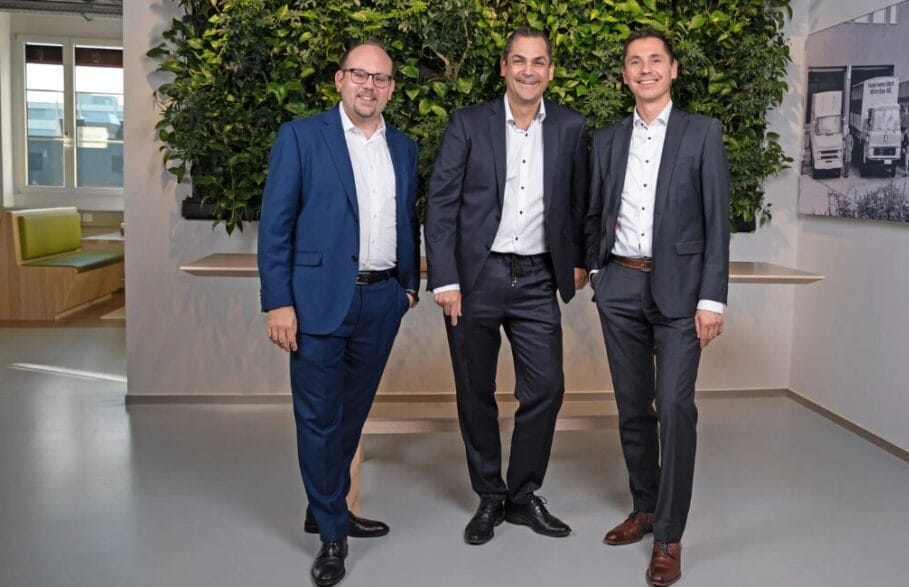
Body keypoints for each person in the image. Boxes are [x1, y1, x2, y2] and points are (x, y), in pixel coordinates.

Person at [257, 42, 420, 587]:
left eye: (381, 78)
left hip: (381, 301)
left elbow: (406, 218)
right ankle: (332, 531)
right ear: (340, 80)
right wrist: (279, 302)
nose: (369, 86)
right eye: (360, 75)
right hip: (316, 303)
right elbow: (275, 227)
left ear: (391, 88)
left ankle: (324, 504)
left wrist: (407, 288)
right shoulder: (301, 137)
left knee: (350, 415)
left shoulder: (404, 148)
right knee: (318, 418)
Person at [424, 27, 589, 546]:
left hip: (537, 277)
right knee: (474, 391)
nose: (528, 71)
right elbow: (441, 204)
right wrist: (445, 278)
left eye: (538, 62)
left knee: (547, 388)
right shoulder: (468, 123)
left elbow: (580, 201)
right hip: (475, 278)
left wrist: (579, 260)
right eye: (519, 60)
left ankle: (522, 495)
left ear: (551, 72)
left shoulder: (570, 127)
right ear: (503, 67)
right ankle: (489, 495)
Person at [585, 30, 730, 587]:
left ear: (672, 70)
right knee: (632, 407)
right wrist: (598, 272)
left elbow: (717, 220)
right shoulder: (607, 139)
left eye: (655, 60)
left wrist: (712, 297)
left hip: (682, 292)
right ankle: (644, 508)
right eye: (634, 62)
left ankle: (669, 535)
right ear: (625, 74)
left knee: (673, 405)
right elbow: (595, 211)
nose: (644, 69)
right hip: (620, 283)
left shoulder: (702, 132)